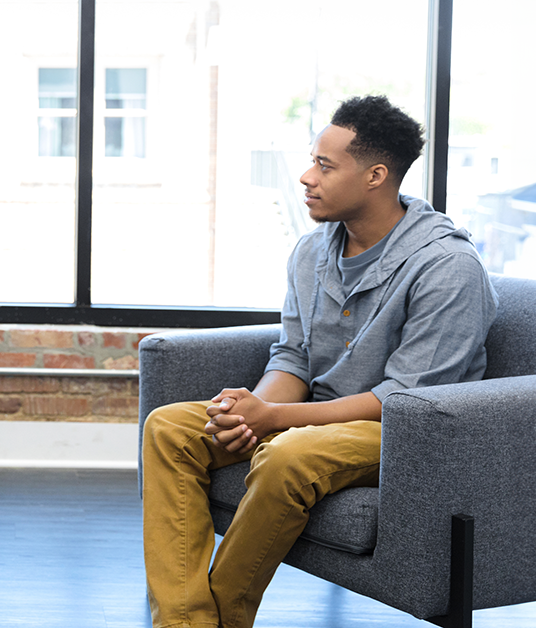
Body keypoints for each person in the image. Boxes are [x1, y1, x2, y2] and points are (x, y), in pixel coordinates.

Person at [141, 95, 498, 628]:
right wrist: (252, 409)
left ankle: (227, 615)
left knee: (289, 454)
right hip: (320, 414)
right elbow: (295, 356)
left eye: (325, 166)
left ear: (376, 175)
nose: (307, 177)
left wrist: (275, 420)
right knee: (169, 427)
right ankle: (187, 621)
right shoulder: (312, 250)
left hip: (407, 431)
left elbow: (405, 401)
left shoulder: (448, 267)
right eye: (312, 161)